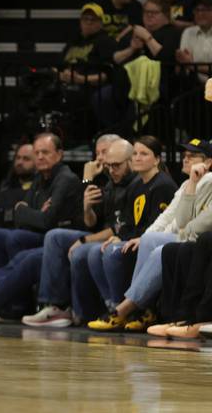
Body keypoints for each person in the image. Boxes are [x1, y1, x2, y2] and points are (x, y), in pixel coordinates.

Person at [22, 138, 135, 327]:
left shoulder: (121, 179)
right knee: (55, 237)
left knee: (79, 250)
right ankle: (55, 305)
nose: (100, 158)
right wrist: (87, 203)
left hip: (110, 236)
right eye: (97, 153)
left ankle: (96, 309)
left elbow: (113, 228)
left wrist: (84, 239)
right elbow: (89, 221)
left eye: (104, 152)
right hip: (97, 233)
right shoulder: (106, 179)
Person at [86, 136, 178, 331]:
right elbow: (127, 221)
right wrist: (119, 236)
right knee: (95, 252)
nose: (137, 157)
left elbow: (161, 223)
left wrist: (133, 238)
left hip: (148, 241)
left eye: (144, 154)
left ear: (157, 159)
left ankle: (134, 309)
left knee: (113, 253)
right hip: (134, 238)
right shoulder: (135, 185)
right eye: (135, 153)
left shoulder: (163, 185)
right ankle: (113, 304)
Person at [0, 133, 82, 272]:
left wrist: (26, 212)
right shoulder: (39, 177)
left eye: (45, 152)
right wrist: (33, 213)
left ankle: (11, 288)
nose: (40, 157)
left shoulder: (65, 179)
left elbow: (46, 220)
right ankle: (0, 283)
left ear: (59, 155)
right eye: (37, 153)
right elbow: (19, 217)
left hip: (56, 236)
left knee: (16, 237)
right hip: (38, 231)